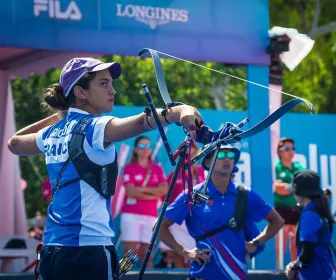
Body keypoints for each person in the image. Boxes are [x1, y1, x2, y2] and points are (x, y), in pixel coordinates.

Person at [7, 57, 204, 280]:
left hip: (53, 249)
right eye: (103, 83)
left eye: (110, 83)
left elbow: (14, 143)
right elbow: (141, 123)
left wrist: (58, 116)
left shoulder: (51, 132)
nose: (112, 90)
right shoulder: (95, 126)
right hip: (88, 250)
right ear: (81, 92)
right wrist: (179, 111)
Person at [158, 145, 284, 280]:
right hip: (203, 275)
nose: (227, 159)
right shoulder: (193, 195)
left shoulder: (245, 194)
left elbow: (277, 221)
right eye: (220, 155)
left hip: (236, 275)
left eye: (230, 156)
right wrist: (185, 252)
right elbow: (159, 227)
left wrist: (256, 243)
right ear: (207, 162)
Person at [120, 135, 168, 268]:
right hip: (131, 215)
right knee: (129, 254)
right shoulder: (129, 167)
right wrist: (154, 192)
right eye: (142, 146)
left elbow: (164, 190)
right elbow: (131, 192)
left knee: (147, 255)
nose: (146, 149)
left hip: (150, 216)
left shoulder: (157, 169)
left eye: (148, 146)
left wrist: (141, 189)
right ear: (135, 149)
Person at [285, 170, 336, 280]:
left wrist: (293, 267)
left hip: (316, 274)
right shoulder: (317, 210)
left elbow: (307, 254)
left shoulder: (309, 215)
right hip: (325, 272)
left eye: (294, 191)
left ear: (301, 193)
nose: (293, 194)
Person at [159, 141, 205, 268]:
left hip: (195, 220)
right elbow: (164, 198)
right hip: (177, 219)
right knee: (179, 254)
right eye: (189, 155)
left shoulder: (202, 173)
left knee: (195, 254)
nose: (192, 159)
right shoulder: (174, 175)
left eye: (195, 155)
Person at [273, 137, 305, 267]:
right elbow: (277, 188)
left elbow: (304, 185)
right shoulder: (276, 166)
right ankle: (279, 271)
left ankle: (296, 271)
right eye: (287, 148)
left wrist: (286, 187)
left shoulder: (299, 167)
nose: (291, 151)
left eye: (293, 148)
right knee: (281, 244)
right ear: (280, 151)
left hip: (297, 210)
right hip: (281, 209)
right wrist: (294, 187)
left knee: (295, 245)